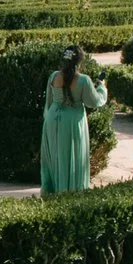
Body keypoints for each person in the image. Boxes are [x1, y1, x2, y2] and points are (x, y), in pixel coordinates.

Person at [39, 45, 107, 195]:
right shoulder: (83, 80)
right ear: (80, 62)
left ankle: (51, 191)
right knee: (72, 157)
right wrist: (102, 88)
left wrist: (49, 118)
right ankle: (71, 192)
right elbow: (95, 102)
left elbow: (49, 102)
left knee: (54, 157)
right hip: (72, 121)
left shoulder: (54, 76)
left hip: (52, 118)